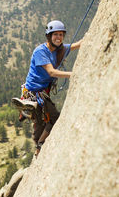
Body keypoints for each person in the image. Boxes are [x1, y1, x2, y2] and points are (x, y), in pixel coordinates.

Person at [12, 20, 82, 157]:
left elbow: (75, 45)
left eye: (61, 35)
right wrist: (74, 74)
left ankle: (38, 141)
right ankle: (39, 144)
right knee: (50, 118)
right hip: (34, 92)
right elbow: (51, 72)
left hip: (42, 92)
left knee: (43, 121)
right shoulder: (41, 51)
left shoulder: (59, 50)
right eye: (55, 34)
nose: (59, 37)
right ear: (49, 36)